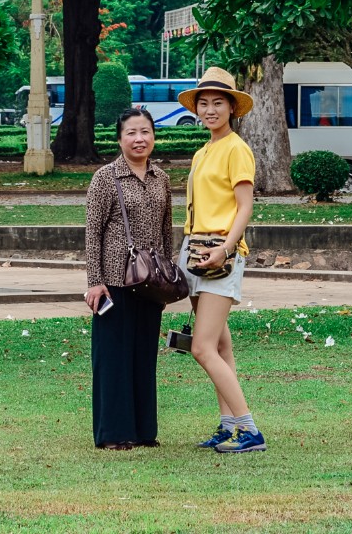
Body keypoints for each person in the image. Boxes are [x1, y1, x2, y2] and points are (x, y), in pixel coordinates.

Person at [176, 69, 264, 454]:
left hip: (219, 254)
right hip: (196, 250)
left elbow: (245, 206)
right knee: (221, 347)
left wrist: (226, 249)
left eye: (218, 103)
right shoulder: (204, 151)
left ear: (232, 108)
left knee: (201, 347)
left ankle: (249, 430)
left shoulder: (236, 149)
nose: (210, 110)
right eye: (204, 103)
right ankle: (229, 425)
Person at [83, 107, 175, 451]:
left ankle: (142, 430)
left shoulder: (161, 178)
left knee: (142, 356)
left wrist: (168, 275)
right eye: (132, 133)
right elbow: (93, 232)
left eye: (146, 132)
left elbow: (167, 229)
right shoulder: (106, 178)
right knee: (113, 358)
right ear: (120, 139)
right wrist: (95, 281)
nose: (139, 139)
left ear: (154, 136)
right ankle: (113, 433)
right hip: (114, 281)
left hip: (151, 283)